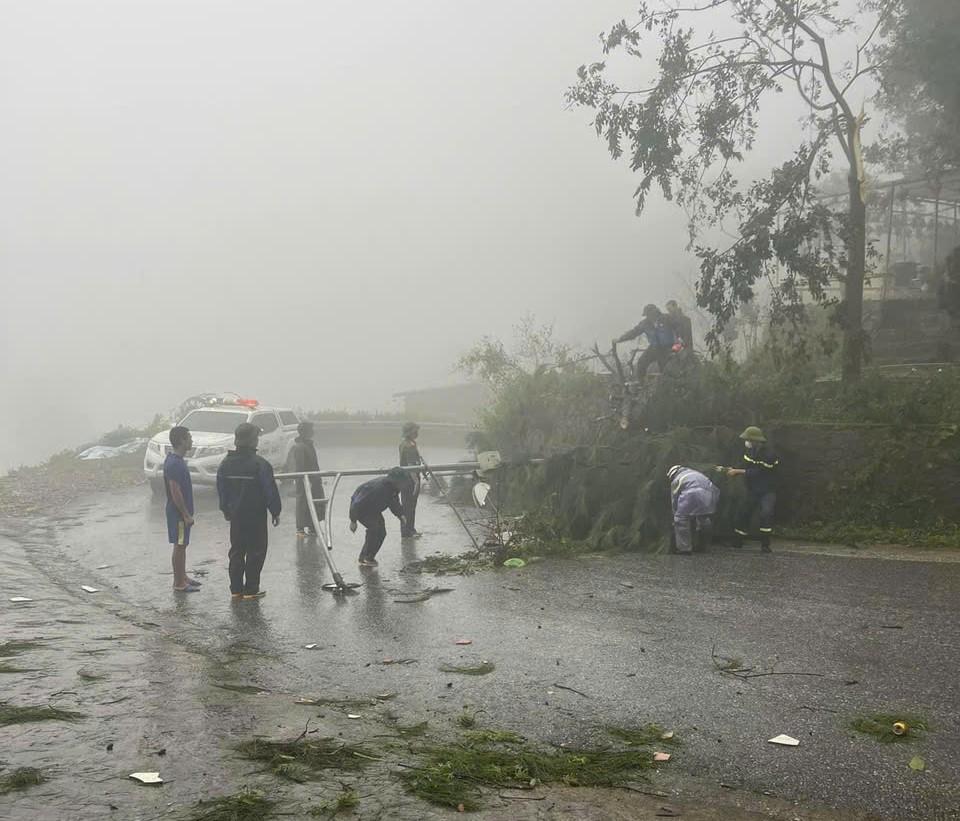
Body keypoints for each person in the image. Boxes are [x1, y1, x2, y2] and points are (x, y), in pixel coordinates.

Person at [216, 423, 282, 599]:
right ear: (253, 441)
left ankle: (236, 590)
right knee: (256, 551)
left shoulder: (225, 464)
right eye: (256, 437)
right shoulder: (260, 464)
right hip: (256, 516)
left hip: (236, 516)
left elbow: (221, 489)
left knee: (236, 551)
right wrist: (275, 511)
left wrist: (225, 509)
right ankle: (251, 590)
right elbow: (270, 490)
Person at [726, 426, 779, 553]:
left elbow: (759, 472)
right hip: (753, 489)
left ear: (755, 440)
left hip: (767, 490)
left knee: (766, 514)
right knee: (744, 512)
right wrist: (732, 468)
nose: (746, 442)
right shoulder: (750, 452)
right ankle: (738, 541)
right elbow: (746, 465)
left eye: (748, 440)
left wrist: (737, 471)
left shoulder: (769, 454)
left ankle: (765, 545)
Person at [163, 426, 201, 593]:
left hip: (181, 512)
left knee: (182, 545)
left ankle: (183, 576)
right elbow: (175, 491)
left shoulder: (176, 461)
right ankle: (178, 583)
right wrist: (185, 514)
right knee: (179, 546)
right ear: (181, 441)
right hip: (178, 513)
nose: (191, 441)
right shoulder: (174, 464)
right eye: (189, 437)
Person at [348, 467, 409, 567]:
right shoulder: (377, 488)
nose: (403, 485)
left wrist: (400, 514)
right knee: (374, 529)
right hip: (362, 509)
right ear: (395, 480)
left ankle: (370, 557)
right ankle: (364, 558)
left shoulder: (394, 488)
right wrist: (353, 521)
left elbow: (394, 502)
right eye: (402, 482)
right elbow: (356, 503)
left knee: (382, 533)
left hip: (374, 510)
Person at [612, 303, 677, 381]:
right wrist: (620, 339)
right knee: (641, 363)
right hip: (654, 348)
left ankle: (667, 383)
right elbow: (633, 332)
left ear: (655, 312)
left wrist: (678, 344)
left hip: (668, 348)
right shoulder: (645, 323)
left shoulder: (666, 318)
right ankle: (642, 384)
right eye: (647, 315)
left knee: (665, 368)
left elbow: (679, 326)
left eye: (649, 314)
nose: (649, 317)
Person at [668, 465, 720, 554]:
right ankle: (704, 546)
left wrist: (675, 514)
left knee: (681, 519)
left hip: (691, 495)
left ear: (673, 474)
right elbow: (715, 489)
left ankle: (684, 549)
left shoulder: (677, 479)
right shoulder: (697, 474)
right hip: (710, 495)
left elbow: (675, 499)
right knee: (704, 519)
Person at [287, 421, 325, 537]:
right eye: (311, 429)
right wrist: (305, 481)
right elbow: (300, 467)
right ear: (306, 431)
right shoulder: (300, 447)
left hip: (313, 479)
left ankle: (312, 526)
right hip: (306, 480)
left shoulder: (308, 445)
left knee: (313, 502)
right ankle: (300, 528)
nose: (313, 431)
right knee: (303, 502)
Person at [398, 422, 423, 538]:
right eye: (415, 430)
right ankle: (409, 531)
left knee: (407, 505)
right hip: (410, 479)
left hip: (404, 478)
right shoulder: (409, 446)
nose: (417, 432)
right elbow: (410, 464)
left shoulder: (404, 444)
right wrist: (416, 481)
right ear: (410, 432)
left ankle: (407, 530)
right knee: (409, 506)